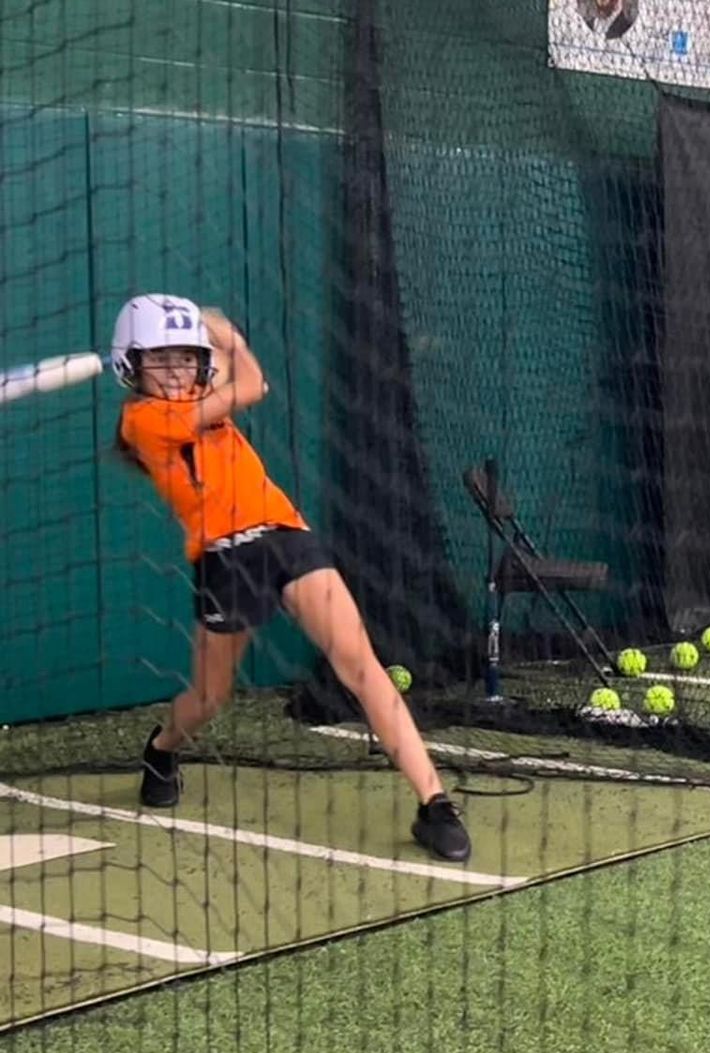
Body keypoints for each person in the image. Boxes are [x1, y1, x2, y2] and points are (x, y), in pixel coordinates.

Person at [111, 295, 473, 863]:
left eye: (185, 358)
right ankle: (161, 749)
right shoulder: (143, 421)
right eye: (161, 360)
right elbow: (251, 385)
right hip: (224, 559)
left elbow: (233, 379)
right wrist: (228, 338)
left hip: (285, 535)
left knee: (360, 665)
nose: (177, 371)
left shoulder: (199, 397)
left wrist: (219, 341)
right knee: (209, 697)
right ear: (131, 366)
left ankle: (435, 804)